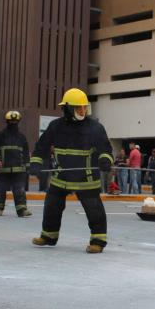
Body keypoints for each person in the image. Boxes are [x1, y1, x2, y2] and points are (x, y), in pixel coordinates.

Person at [29, 88, 113, 254]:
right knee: (52, 205)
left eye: (84, 107)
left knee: (94, 209)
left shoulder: (95, 127)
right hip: (62, 176)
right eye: (78, 108)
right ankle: (49, 236)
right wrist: (36, 163)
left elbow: (106, 149)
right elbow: (41, 147)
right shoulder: (55, 126)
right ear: (67, 108)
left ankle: (98, 240)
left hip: (86, 178)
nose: (83, 111)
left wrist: (105, 160)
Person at [0, 111, 32, 217]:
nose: (13, 123)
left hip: (18, 170)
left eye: (15, 121)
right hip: (3, 169)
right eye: (11, 121)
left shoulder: (22, 137)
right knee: (1, 189)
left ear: (18, 122)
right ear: (7, 121)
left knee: (20, 190)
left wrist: (27, 167)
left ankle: (22, 210)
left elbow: (26, 153)